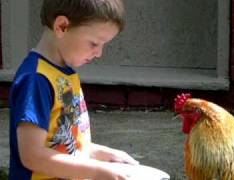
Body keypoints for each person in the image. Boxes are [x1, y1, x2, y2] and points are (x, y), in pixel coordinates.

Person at [9, 0, 139, 179]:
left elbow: (66, 145)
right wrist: (95, 172)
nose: (99, 53)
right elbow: (32, 156)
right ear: (62, 26)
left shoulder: (64, 75)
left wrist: (105, 154)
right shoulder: (36, 80)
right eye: (94, 43)